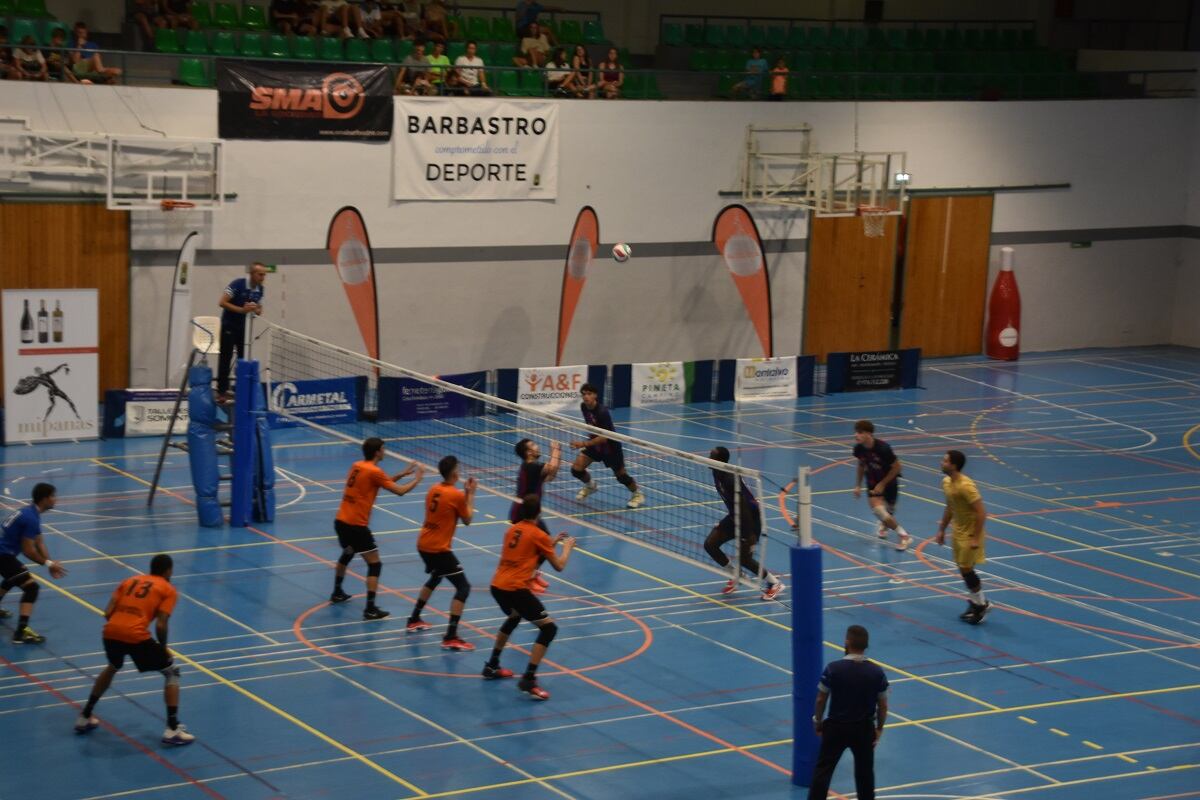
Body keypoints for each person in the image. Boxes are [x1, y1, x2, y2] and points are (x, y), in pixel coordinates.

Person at [73, 554, 195, 745]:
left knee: (113, 666)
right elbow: (161, 624)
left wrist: (120, 627)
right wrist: (163, 649)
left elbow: (108, 612)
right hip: (136, 635)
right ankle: (172, 729)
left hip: (110, 631)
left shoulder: (129, 580)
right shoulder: (168, 589)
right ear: (168, 571)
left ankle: (84, 716)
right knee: (171, 672)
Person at [483, 495, 575, 700]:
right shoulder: (539, 534)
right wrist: (567, 548)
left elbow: (528, 555)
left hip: (497, 586)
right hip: (515, 589)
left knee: (514, 616)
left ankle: (492, 666)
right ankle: (528, 679)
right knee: (549, 629)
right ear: (539, 513)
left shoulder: (511, 530)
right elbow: (559, 566)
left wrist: (550, 543)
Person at [330, 437, 424, 620]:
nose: (385, 451)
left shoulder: (357, 465)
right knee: (375, 564)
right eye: (383, 449)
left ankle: (337, 592)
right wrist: (418, 479)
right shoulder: (375, 471)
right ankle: (370, 609)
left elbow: (378, 482)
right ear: (377, 452)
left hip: (341, 521)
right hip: (356, 526)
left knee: (348, 553)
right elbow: (400, 491)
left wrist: (402, 474)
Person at [808, 625, 888, 800]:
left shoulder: (833, 669)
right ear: (866, 646)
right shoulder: (877, 672)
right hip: (863, 729)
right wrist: (879, 728)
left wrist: (818, 720)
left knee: (824, 771)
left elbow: (821, 699)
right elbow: (882, 705)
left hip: (836, 728)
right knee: (865, 774)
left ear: (847, 642)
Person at [406, 456, 477, 649]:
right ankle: (451, 636)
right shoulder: (455, 495)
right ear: (455, 473)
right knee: (463, 587)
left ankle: (414, 619)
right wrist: (470, 494)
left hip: (423, 544)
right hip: (438, 549)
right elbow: (468, 519)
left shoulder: (434, 489)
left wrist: (464, 495)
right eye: (458, 468)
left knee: (436, 576)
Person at [704, 447, 784, 600]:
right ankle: (736, 574)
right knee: (710, 544)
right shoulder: (716, 471)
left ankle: (774, 583)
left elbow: (744, 508)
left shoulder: (729, 478)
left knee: (744, 559)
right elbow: (733, 505)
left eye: (711, 456)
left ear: (720, 460)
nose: (708, 457)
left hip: (749, 519)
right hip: (735, 516)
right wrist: (724, 522)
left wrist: (748, 535)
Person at [0, 483, 67, 644]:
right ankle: (21, 633)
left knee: (14, 577)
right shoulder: (30, 518)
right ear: (45, 499)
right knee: (31, 588)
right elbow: (28, 550)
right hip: (3, 556)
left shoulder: (30, 512)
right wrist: (49, 565)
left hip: (4, 555)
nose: (55, 499)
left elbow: (39, 541)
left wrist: (50, 563)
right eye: (53, 496)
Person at [937, 450, 991, 624]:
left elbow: (982, 513)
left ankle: (981, 606)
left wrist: (975, 538)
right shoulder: (946, 482)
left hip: (970, 533)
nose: (941, 462)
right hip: (958, 531)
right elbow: (950, 507)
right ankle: (978, 603)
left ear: (954, 465)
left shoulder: (966, 486)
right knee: (963, 569)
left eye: (945, 461)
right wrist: (942, 529)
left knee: (967, 570)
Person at [570, 383, 644, 508]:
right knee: (576, 469)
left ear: (595, 395)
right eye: (584, 394)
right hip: (594, 446)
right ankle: (590, 486)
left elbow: (604, 437)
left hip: (611, 448)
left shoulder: (602, 412)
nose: (586, 397)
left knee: (621, 476)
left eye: (589, 394)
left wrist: (583, 444)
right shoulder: (584, 407)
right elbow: (592, 426)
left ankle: (637, 494)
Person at [510, 437, 561, 593]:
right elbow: (551, 468)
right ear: (528, 452)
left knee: (545, 544)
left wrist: (557, 455)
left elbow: (552, 474)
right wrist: (555, 450)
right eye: (533, 445)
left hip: (532, 513)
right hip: (523, 514)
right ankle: (528, 578)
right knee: (545, 545)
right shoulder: (531, 466)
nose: (537, 446)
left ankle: (532, 574)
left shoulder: (532, 467)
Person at [852, 420, 911, 550]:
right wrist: (857, 485)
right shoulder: (858, 449)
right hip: (872, 484)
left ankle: (885, 525)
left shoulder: (883, 448)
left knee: (889, 512)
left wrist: (883, 484)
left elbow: (897, 467)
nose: (856, 435)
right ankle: (904, 536)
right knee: (879, 511)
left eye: (860, 432)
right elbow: (861, 465)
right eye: (856, 432)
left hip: (890, 483)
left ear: (869, 434)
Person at [216, 262, 267, 404]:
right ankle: (221, 392)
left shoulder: (260, 289)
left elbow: (259, 310)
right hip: (229, 326)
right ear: (252, 274)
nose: (263, 277)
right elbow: (222, 302)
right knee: (225, 358)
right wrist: (241, 310)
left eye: (264, 274)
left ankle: (241, 390)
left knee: (242, 359)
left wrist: (256, 309)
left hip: (243, 328)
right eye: (260, 274)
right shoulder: (237, 284)